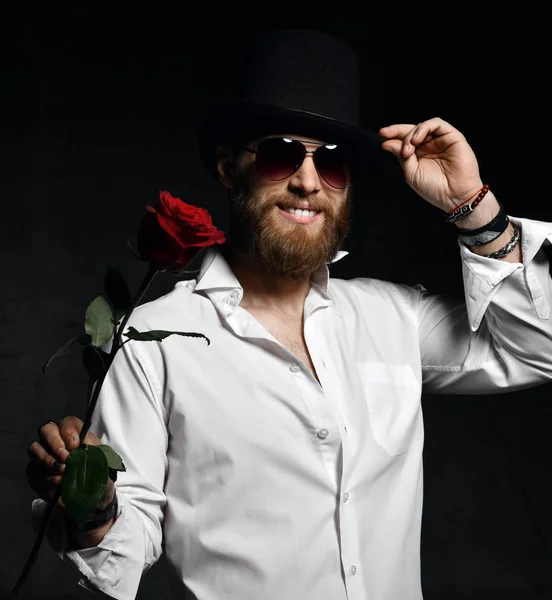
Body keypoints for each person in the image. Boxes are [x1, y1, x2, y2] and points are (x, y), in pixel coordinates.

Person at [26, 29, 552, 600]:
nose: (307, 181)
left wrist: (474, 209)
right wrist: (93, 505)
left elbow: (536, 348)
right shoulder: (152, 345)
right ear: (229, 168)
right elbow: (119, 566)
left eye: (332, 164)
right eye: (281, 154)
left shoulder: (395, 318)